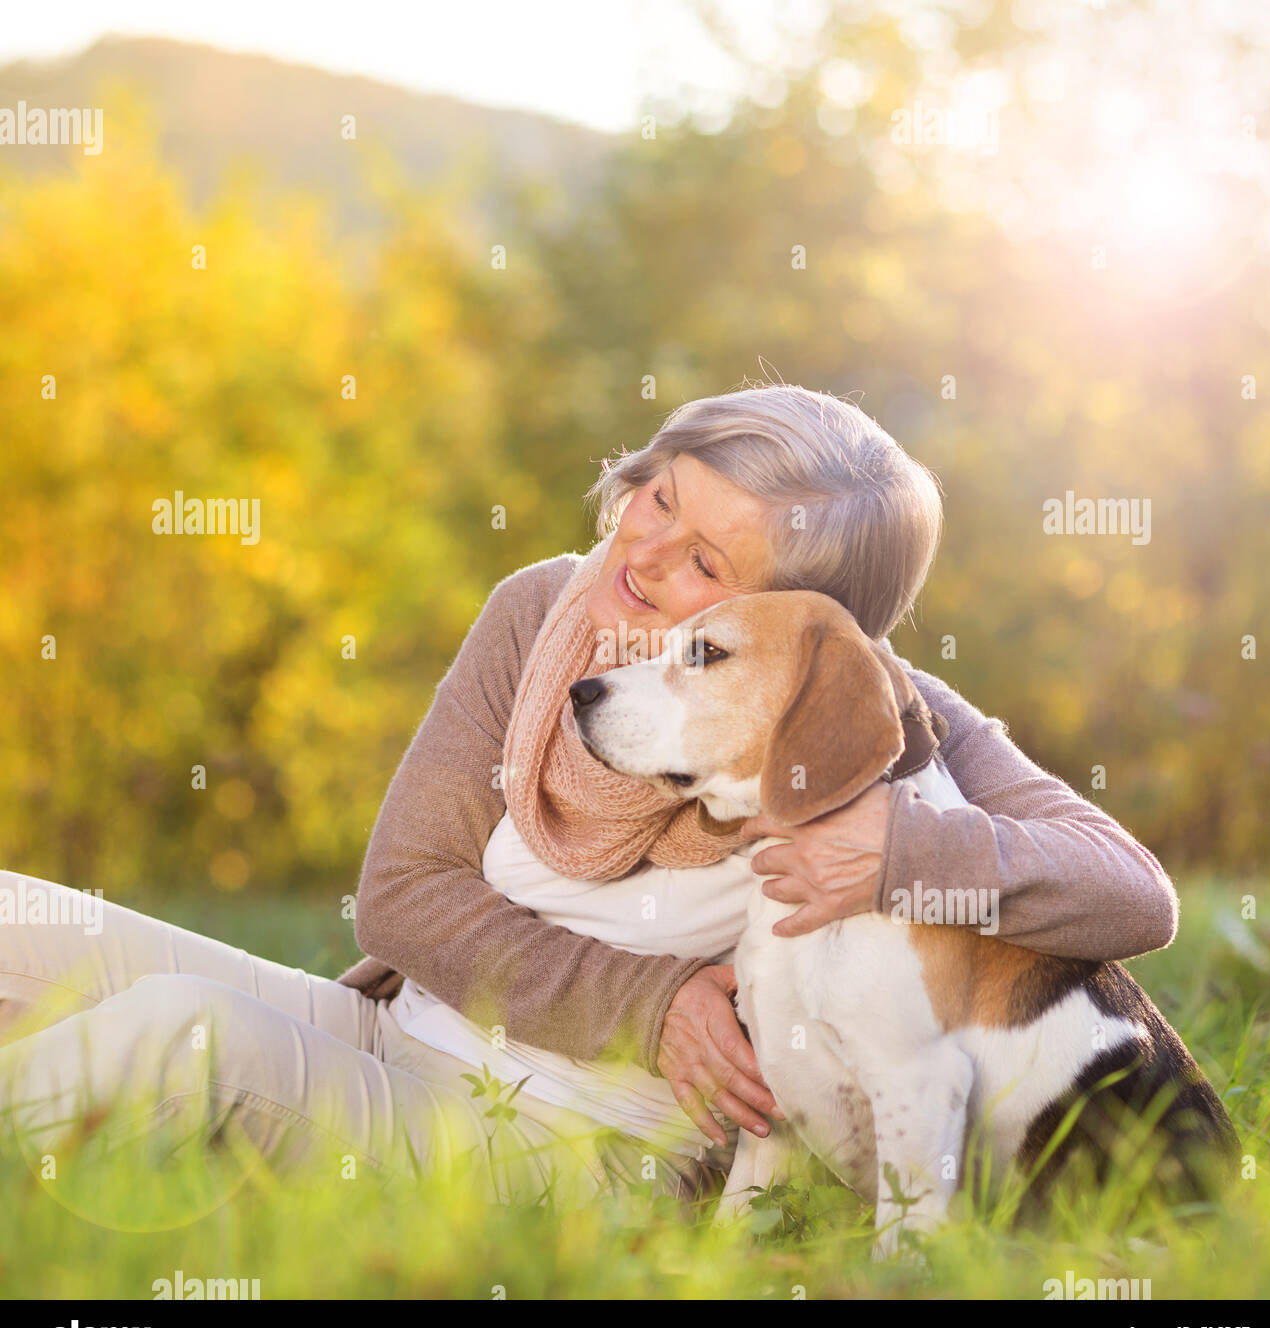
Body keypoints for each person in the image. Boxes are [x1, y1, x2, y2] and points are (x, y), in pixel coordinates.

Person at [0, 384, 1177, 1209]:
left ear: (801, 624)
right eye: (660, 496)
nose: (643, 550)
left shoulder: (860, 709)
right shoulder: (538, 610)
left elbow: (1132, 895)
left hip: (566, 1146)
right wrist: (650, 999)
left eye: (710, 565)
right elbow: (404, 896)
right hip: (393, 1027)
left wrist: (902, 843)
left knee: (176, 1036)